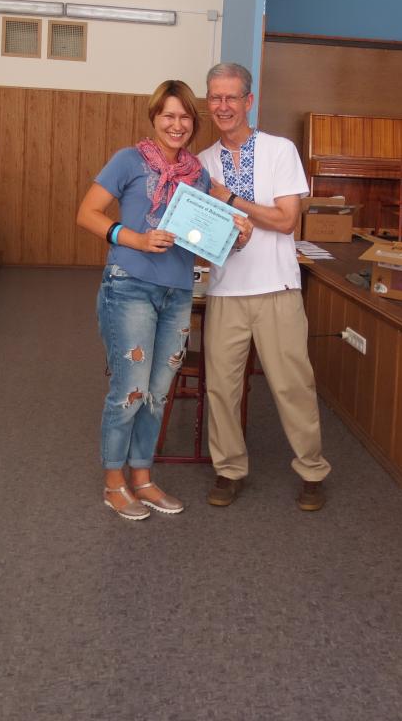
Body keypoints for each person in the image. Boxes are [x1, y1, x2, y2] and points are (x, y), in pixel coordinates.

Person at [76, 80, 251, 521]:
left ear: (194, 122)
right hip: (129, 286)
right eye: (168, 115)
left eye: (185, 116)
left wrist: (236, 235)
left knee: (157, 393)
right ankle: (113, 483)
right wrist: (135, 238)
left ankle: (142, 477)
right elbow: (87, 213)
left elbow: (206, 236)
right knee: (129, 391)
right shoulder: (128, 160)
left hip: (178, 293)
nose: (177, 124)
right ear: (154, 118)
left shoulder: (198, 174)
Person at [196, 62, 331, 511]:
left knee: (293, 387)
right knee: (221, 388)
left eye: (231, 97)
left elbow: (287, 220)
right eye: (215, 97)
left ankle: (311, 470)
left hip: (277, 288)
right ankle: (228, 469)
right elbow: (208, 235)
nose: (223, 106)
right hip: (224, 292)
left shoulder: (279, 150)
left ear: (248, 101)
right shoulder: (202, 164)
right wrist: (226, 232)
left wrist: (230, 199)